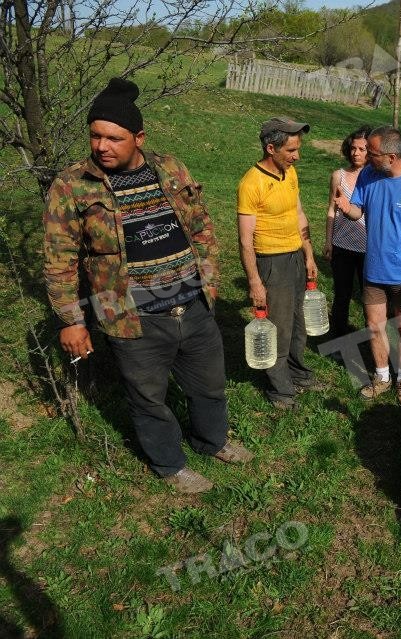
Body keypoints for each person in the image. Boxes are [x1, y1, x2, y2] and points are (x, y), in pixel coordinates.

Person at [43, 77, 251, 494]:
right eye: (95, 136)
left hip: (192, 304)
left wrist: (208, 280)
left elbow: (201, 226)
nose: (101, 146)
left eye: (113, 138)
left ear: (139, 138)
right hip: (130, 316)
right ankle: (170, 464)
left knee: (210, 385)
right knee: (148, 398)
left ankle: (212, 440)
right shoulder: (72, 184)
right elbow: (59, 258)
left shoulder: (169, 168)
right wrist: (71, 320)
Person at [335, 126, 401, 408]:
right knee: (374, 326)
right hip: (373, 271)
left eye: (372, 153)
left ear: (391, 157)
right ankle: (382, 377)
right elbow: (358, 210)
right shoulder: (368, 175)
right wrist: (345, 207)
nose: (366, 157)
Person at [237, 116, 320, 411]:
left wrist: (308, 254)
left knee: (298, 323)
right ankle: (280, 390)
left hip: (295, 256)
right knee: (280, 328)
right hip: (271, 263)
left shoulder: (290, 173)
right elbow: (245, 240)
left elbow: (299, 214)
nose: (297, 156)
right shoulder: (251, 183)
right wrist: (254, 281)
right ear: (271, 149)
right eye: (291, 150)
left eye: (298, 149)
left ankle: (297, 372)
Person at [324, 126, 369, 338]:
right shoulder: (338, 176)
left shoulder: (376, 177)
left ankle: (374, 338)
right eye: (353, 148)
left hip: (369, 247)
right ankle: (338, 336)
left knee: (370, 297)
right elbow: (331, 210)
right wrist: (328, 241)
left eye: (362, 149)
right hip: (342, 245)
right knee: (342, 294)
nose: (356, 153)